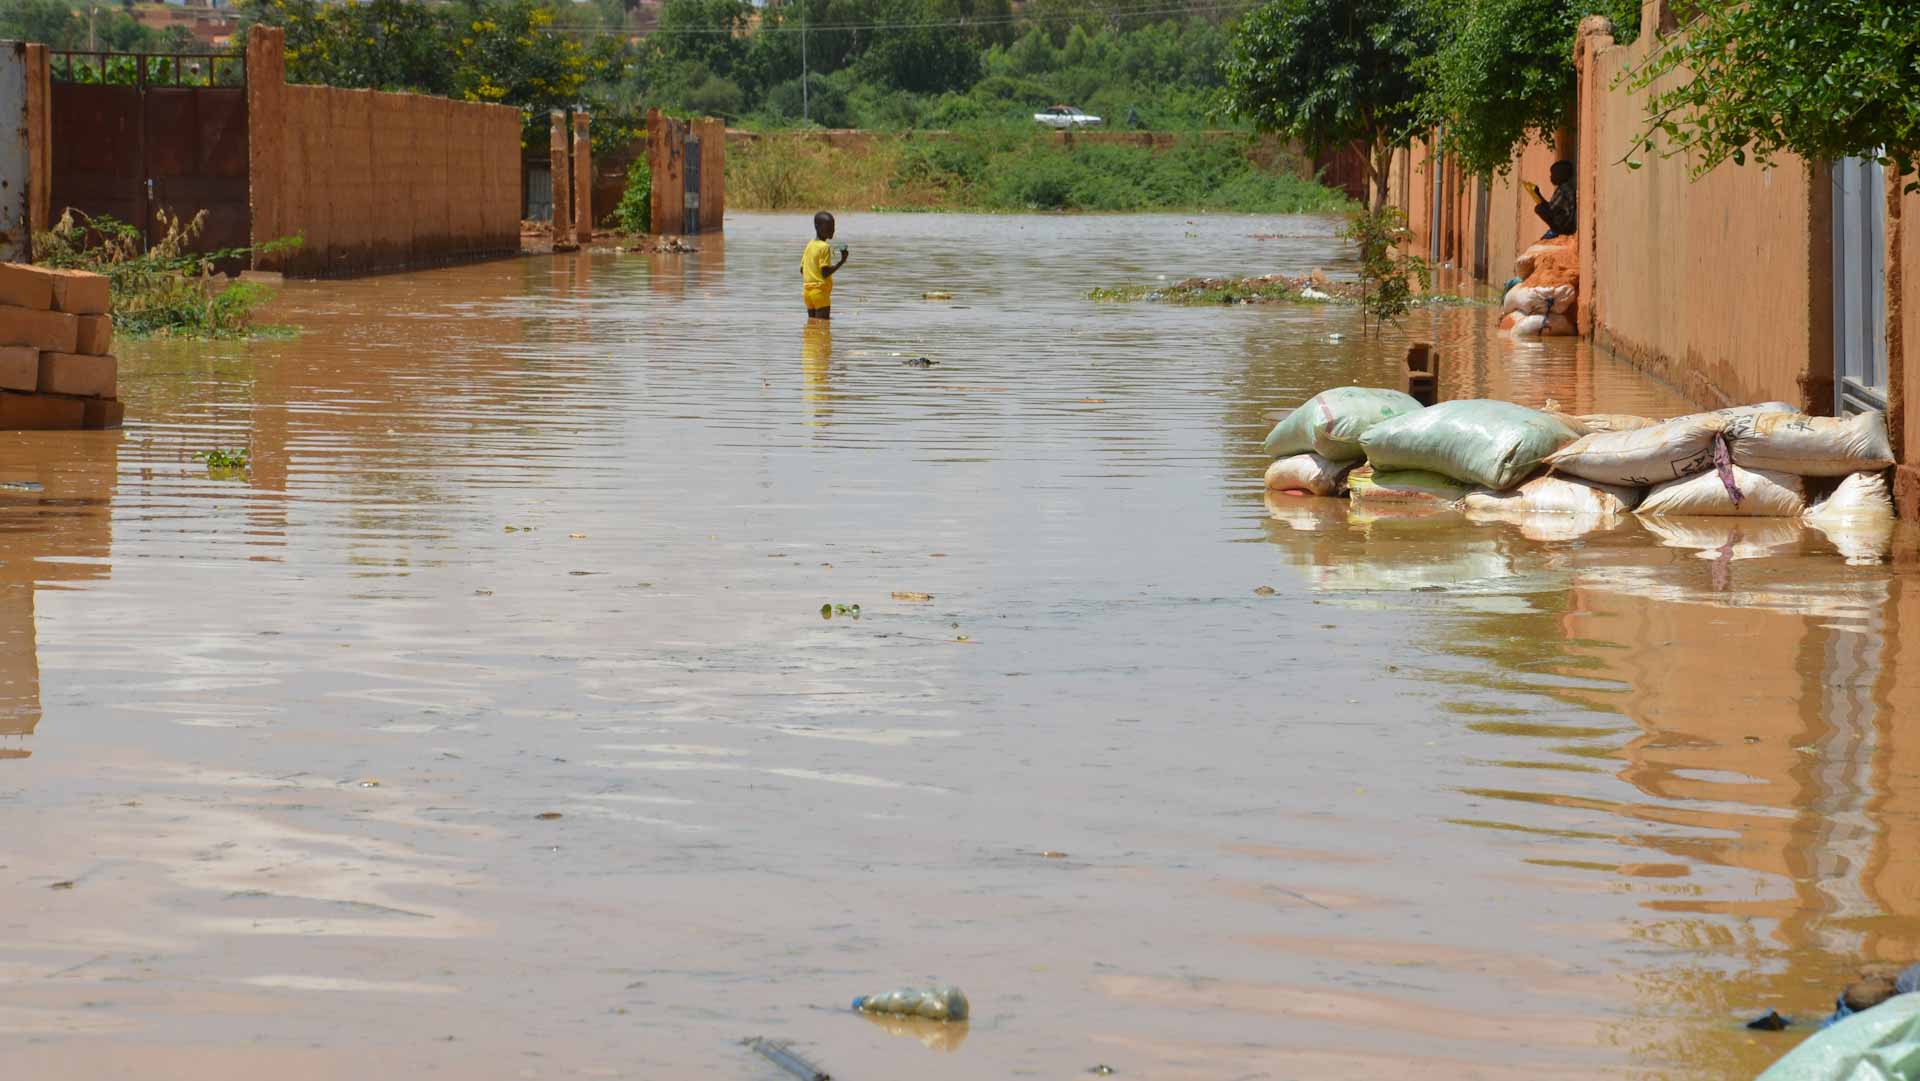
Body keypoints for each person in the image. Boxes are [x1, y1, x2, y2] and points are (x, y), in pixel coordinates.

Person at [803, 211, 849, 319]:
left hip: (807, 293)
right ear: (817, 227)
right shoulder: (825, 247)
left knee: (812, 326)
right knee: (823, 328)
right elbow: (825, 273)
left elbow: (802, 269)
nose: (832, 230)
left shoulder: (809, 245)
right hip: (820, 293)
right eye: (828, 226)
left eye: (833, 226)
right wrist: (842, 261)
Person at [1532, 160, 1577, 239]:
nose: (1551, 177)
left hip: (1565, 225)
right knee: (1541, 208)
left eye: (1553, 174)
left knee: (1539, 209)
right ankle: (1555, 229)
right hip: (1563, 222)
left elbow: (1550, 209)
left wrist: (1538, 196)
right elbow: (1551, 207)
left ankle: (1556, 230)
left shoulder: (1564, 190)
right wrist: (1538, 194)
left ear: (1561, 175)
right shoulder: (1562, 188)